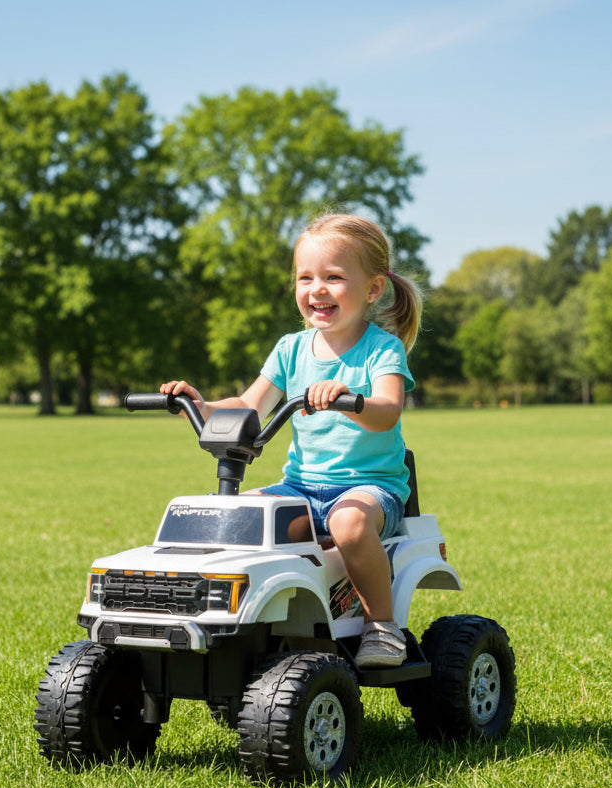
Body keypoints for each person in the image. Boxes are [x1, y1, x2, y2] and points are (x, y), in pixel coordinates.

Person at [161, 213, 421, 668]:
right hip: (300, 487)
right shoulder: (291, 349)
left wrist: (349, 400)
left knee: (348, 526)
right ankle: (238, 626)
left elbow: (388, 412)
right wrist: (200, 406)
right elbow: (249, 403)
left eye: (334, 277)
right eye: (306, 278)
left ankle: (383, 626)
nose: (317, 289)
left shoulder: (382, 349)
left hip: (370, 488)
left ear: (373, 289)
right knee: (235, 517)